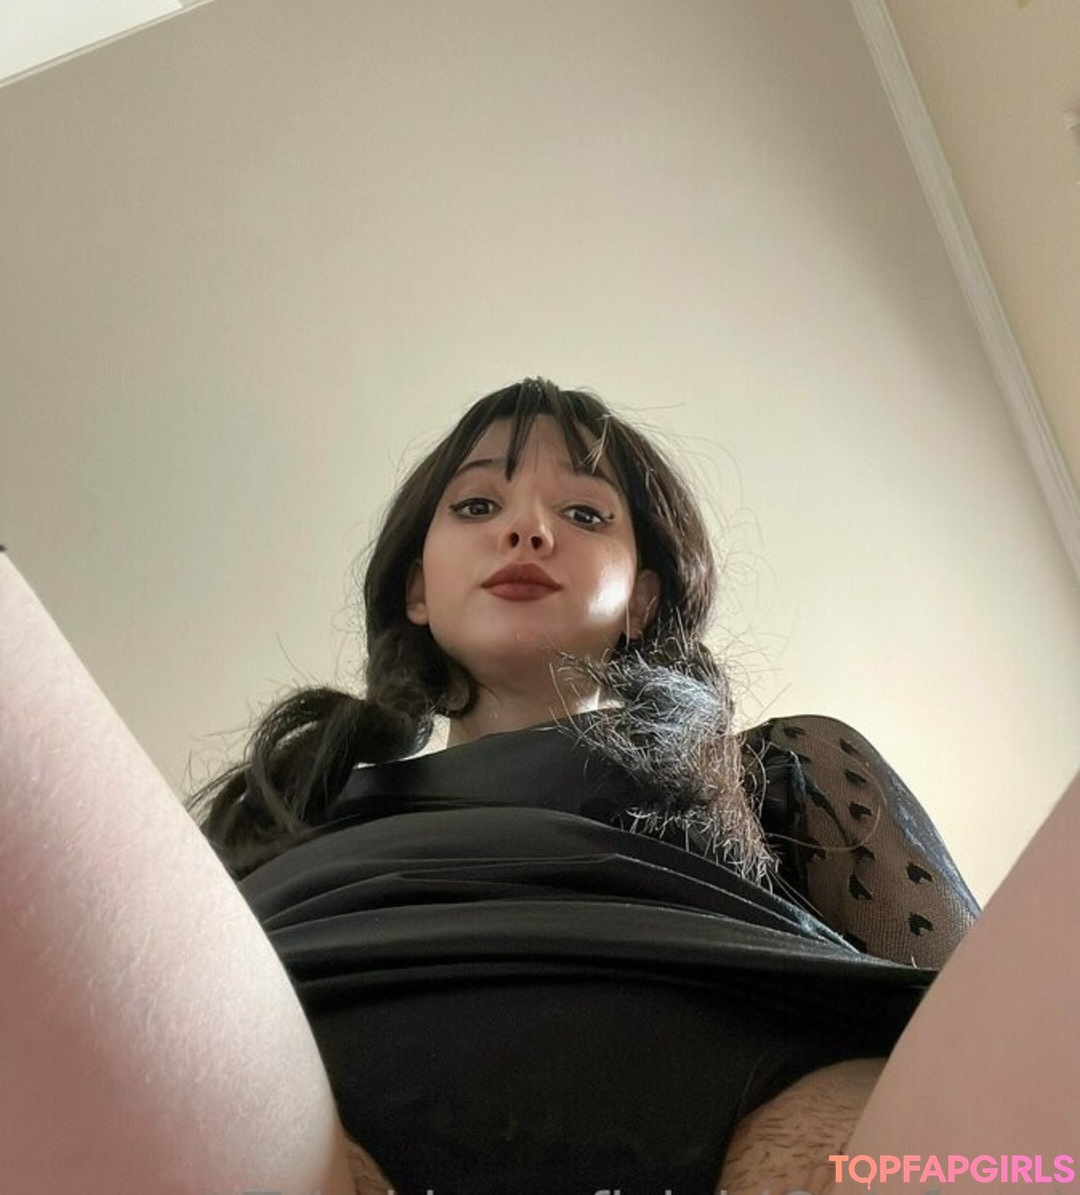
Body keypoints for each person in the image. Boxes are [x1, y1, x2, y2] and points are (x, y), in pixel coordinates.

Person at [1, 377, 1076, 1195]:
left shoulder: (786, 766)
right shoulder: (289, 797)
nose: (526, 529)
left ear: (644, 600)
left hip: (781, 1092)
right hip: (298, 1115)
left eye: (588, 514)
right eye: (477, 504)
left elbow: (972, 1021)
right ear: (416, 590)